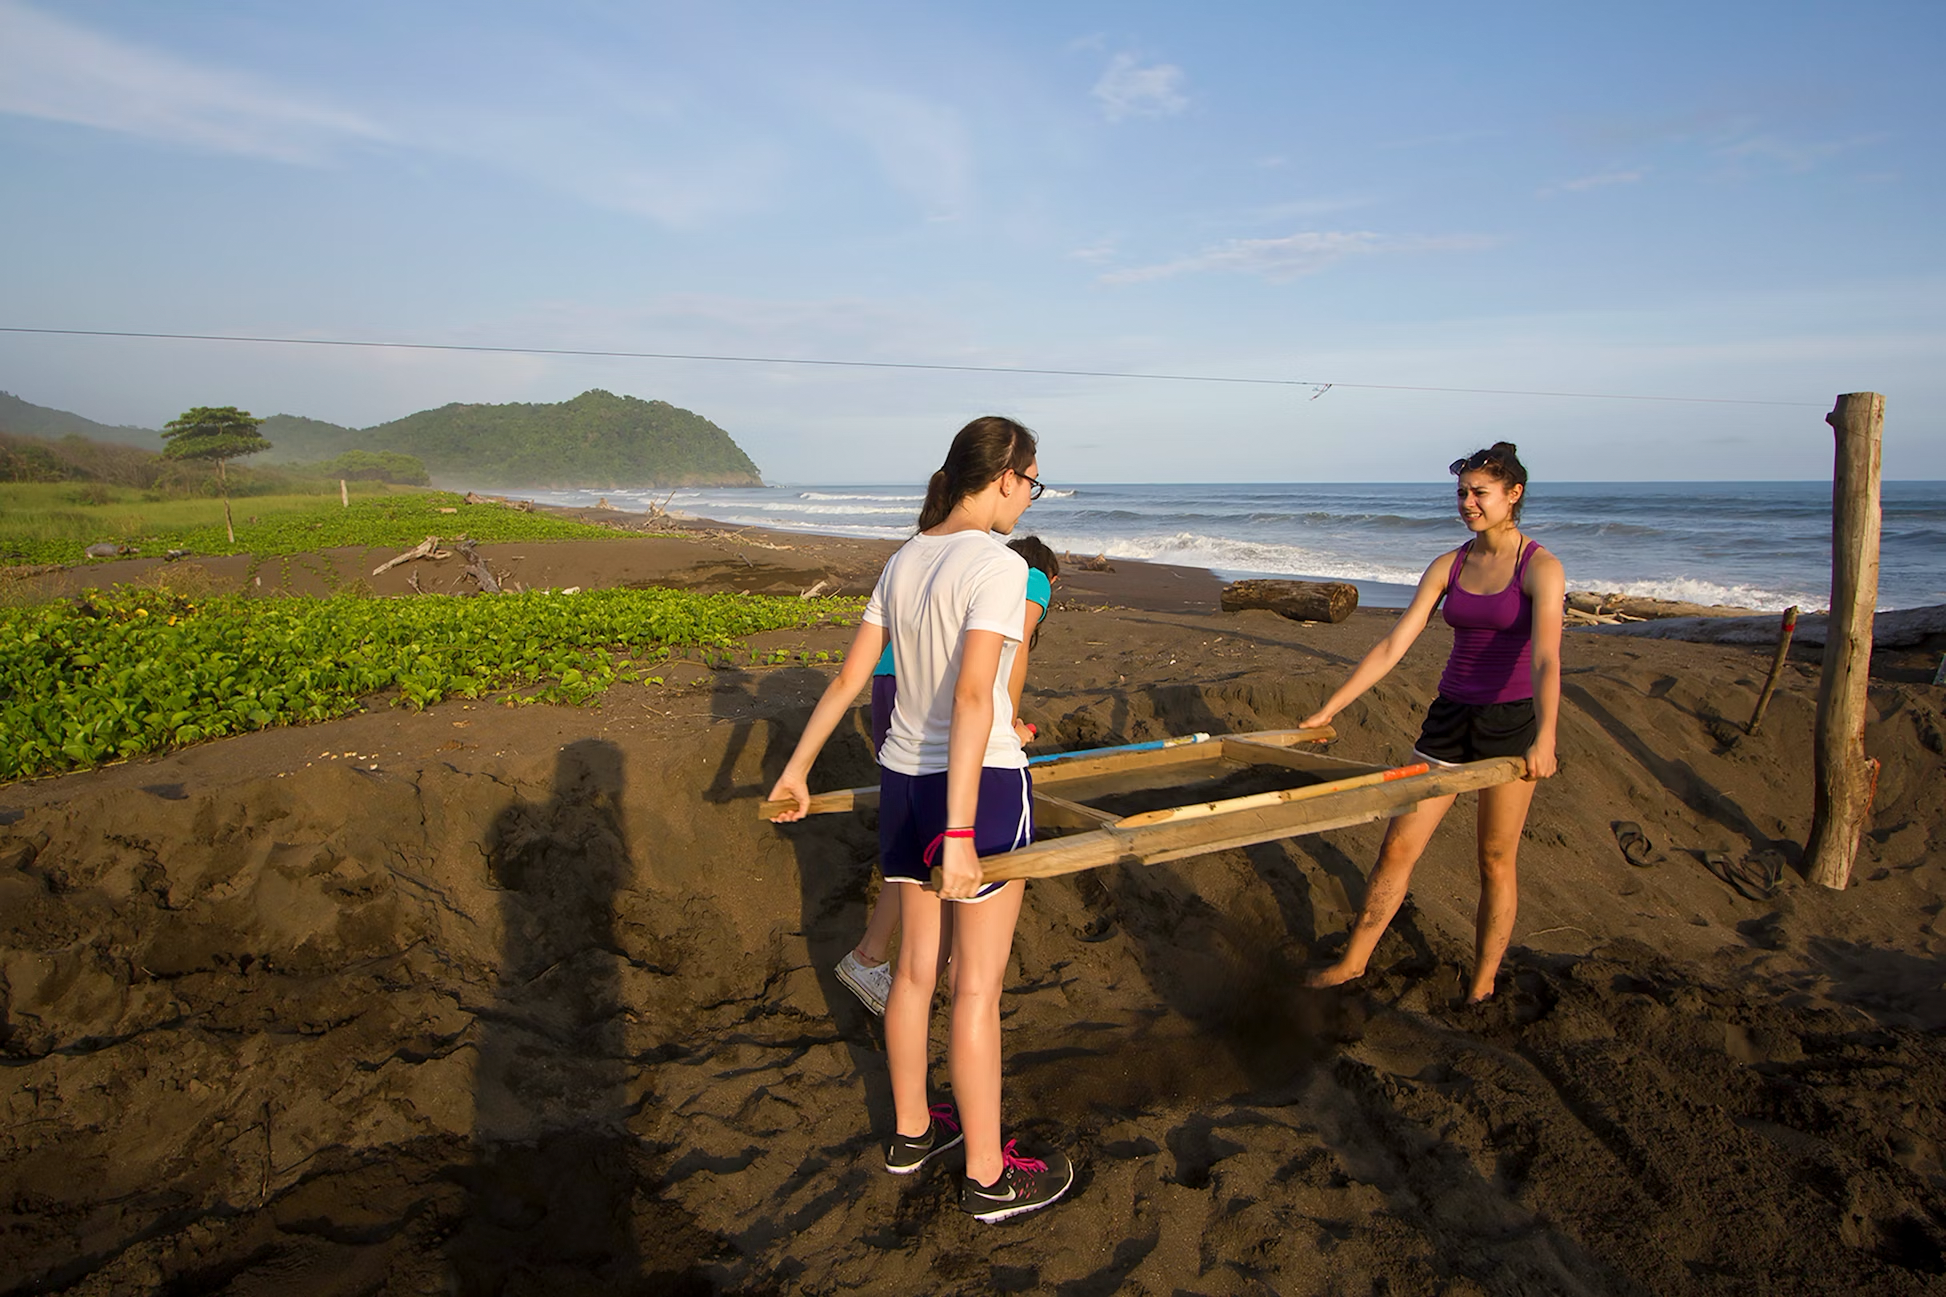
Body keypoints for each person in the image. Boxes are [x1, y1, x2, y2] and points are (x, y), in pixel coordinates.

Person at [769, 416, 1076, 1221]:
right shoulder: (999, 566)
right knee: (974, 988)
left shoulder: (904, 558)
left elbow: (848, 677)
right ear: (1006, 475)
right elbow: (978, 697)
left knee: (913, 969)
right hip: (978, 789)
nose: (1029, 499)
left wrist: (797, 769)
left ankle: (912, 1132)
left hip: (903, 781)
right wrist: (968, 833)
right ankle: (987, 1175)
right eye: (1032, 482)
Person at [1299, 442, 1563, 1004]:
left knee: (1494, 858)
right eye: (1462, 493)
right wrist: (1330, 707)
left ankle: (1483, 983)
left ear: (1513, 495)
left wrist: (1546, 736)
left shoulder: (1539, 567)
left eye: (1479, 493)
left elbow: (1546, 658)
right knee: (1398, 847)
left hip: (1510, 725)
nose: (1468, 503)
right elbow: (1395, 643)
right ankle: (1353, 962)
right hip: (1449, 719)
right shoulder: (1451, 564)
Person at [836, 538, 1058, 1015]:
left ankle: (871, 956)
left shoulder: (937, 561)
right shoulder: (1029, 576)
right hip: (935, 695)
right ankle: (948, 957)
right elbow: (1012, 655)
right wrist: (1007, 727)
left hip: (890, 683)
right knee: (955, 826)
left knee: (920, 839)